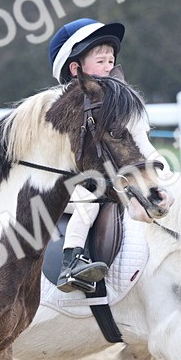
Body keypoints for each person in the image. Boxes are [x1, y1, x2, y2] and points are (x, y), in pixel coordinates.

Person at [46, 18, 126, 292]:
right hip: (58, 185)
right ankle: (72, 261)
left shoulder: (109, 105)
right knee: (88, 200)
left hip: (93, 179)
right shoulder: (65, 107)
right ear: (75, 68)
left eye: (110, 62)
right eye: (100, 61)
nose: (108, 68)